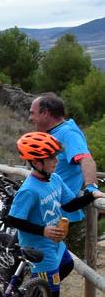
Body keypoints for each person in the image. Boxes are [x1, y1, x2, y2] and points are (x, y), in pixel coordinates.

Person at [1, 132, 104, 297]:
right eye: (51, 158)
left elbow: (68, 203)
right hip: (40, 249)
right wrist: (43, 231)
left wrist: (91, 195)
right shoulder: (29, 189)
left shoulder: (54, 179)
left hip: (55, 246)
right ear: (37, 163)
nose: (57, 161)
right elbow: (12, 220)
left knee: (67, 264)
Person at [29, 93, 98, 225]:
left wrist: (92, 188)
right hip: (45, 210)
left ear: (45, 113)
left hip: (60, 216)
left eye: (33, 113)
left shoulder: (68, 133)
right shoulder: (52, 133)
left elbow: (86, 159)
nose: (30, 117)